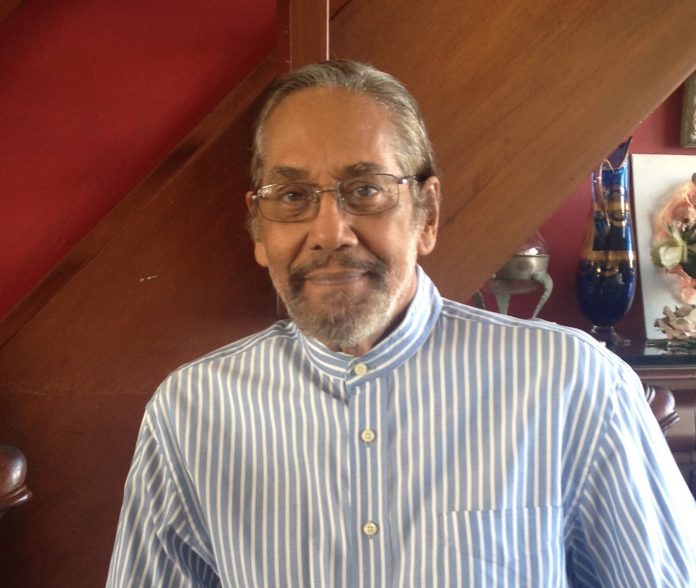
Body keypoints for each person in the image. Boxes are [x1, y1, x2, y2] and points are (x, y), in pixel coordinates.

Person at [107, 60, 696, 587]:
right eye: (291, 196)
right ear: (260, 229)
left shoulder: (574, 386)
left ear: (427, 215)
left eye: (366, 189)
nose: (329, 232)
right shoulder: (190, 414)